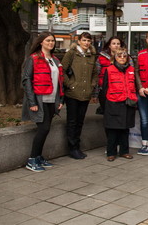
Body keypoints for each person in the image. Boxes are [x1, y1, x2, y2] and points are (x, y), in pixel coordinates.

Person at [22, 32, 64, 172]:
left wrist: (60, 100)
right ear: (41, 42)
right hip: (39, 100)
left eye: (52, 41)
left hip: (52, 100)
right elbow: (27, 80)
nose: (51, 43)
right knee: (43, 128)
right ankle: (32, 159)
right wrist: (32, 102)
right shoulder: (33, 59)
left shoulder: (55, 60)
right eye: (48, 40)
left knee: (46, 129)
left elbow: (59, 83)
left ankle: (38, 156)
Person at [61, 32, 98, 160]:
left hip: (85, 93)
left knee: (80, 121)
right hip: (73, 93)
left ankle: (77, 146)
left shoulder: (92, 55)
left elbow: (94, 73)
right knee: (72, 121)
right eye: (84, 40)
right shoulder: (71, 53)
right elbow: (62, 70)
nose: (86, 43)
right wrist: (70, 84)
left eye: (88, 41)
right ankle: (72, 148)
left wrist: (92, 85)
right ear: (79, 41)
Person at [100, 47, 137, 161]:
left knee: (125, 129)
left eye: (124, 56)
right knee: (113, 130)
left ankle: (124, 151)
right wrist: (104, 104)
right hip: (114, 102)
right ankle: (111, 152)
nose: (122, 58)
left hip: (127, 102)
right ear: (114, 57)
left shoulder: (131, 69)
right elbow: (105, 87)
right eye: (119, 56)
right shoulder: (109, 69)